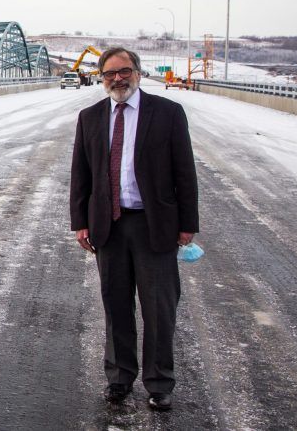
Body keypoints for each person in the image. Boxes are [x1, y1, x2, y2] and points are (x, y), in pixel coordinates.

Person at [69, 47, 199, 411]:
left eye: (124, 71)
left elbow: (185, 171)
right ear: (102, 78)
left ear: (137, 73)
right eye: (110, 74)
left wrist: (187, 224)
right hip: (108, 225)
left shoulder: (167, 113)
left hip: (153, 225)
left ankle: (159, 382)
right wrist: (80, 222)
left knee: (159, 309)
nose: (117, 79)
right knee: (116, 306)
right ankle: (119, 377)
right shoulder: (90, 117)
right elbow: (81, 174)